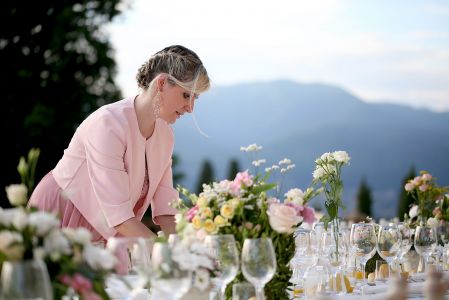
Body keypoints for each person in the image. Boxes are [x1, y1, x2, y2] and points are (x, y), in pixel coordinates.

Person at [28, 45, 210, 244]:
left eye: (195, 98)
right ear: (161, 83)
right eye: (186, 95)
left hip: (111, 229)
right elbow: (120, 217)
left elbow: (167, 210)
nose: (190, 108)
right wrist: (166, 253)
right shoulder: (107, 125)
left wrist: (189, 250)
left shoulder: (165, 135)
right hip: (61, 214)